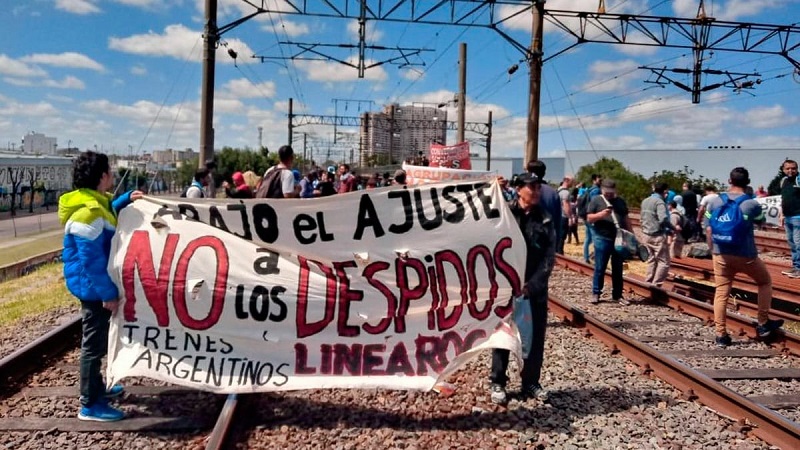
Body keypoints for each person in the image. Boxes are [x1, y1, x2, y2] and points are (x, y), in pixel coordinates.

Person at [59, 151, 143, 422]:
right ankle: (89, 404)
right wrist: (107, 293)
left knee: (98, 341)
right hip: (92, 287)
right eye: (109, 171)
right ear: (102, 177)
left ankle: (96, 389)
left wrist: (124, 199)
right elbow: (91, 261)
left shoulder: (95, 204)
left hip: (94, 285)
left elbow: (108, 213)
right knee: (93, 345)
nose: (112, 176)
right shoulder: (88, 214)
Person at [489, 173, 555, 405]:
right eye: (531, 187)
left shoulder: (545, 219)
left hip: (533, 291)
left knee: (534, 338)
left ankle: (531, 381)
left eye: (538, 187)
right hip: (506, 289)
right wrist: (491, 191)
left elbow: (548, 259)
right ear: (519, 190)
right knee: (502, 336)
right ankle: (498, 381)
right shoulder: (505, 213)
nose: (536, 191)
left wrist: (531, 286)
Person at [705, 167, 783, 348]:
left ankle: (721, 335)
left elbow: (708, 228)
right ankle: (763, 323)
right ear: (747, 183)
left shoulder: (715, 202)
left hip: (721, 254)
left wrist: (713, 250)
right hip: (746, 255)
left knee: (721, 292)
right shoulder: (751, 203)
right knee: (764, 282)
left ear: (729, 180)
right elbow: (761, 220)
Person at [587, 179, 631, 305]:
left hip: (619, 239)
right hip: (602, 237)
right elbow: (589, 218)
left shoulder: (620, 202)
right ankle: (596, 293)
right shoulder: (596, 200)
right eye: (607, 192)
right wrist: (601, 214)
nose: (609, 195)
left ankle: (617, 295)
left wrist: (631, 235)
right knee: (600, 267)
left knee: (618, 268)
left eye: (611, 192)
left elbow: (626, 218)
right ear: (602, 190)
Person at [640, 182, 673, 287]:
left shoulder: (645, 201)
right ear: (664, 192)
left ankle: (648, 282)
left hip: (646, 234)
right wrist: (672, 228)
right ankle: (656, 285)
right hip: (657, 235)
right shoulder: (659, 202)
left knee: (651, 259)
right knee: (663, 261)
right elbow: (663, 218)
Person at [527, 160, 562, 254]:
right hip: (548, 239)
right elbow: (558, 221)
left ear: (529, 172)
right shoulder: (553, 193)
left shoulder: (525, 191)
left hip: (528, 240)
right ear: (544, 173)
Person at [779, 159, 800, 278]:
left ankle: (799, 269)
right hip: (788, 217)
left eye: (793, 168)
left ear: (797, 169)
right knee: (792, 243)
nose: (790, 170)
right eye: (788, 168)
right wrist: (781, 214)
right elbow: (783, 199)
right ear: (783, 170)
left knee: (798, 244)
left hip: (798, 217)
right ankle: (796, 267)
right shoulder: (784, 181)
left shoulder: (799, 179)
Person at [582, 174, 602, 263]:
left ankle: (586, 257)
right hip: (592, 218)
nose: (600, 180)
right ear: (594, 180)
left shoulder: (589, 189)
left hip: (587, 216)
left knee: (588, 238)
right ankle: (596, 259)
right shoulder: (596, 190)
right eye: (599, 179)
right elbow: (595, 204)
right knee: (596, 238)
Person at [556, 176, 573, 254]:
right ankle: (560, 253)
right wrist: (570, 217)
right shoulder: (566, 192)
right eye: (572, 181)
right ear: (567, 181)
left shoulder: (558, 190)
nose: (572, 183)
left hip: (558, 216)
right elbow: (566, 205)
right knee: (562, 237)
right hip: (564, 217)